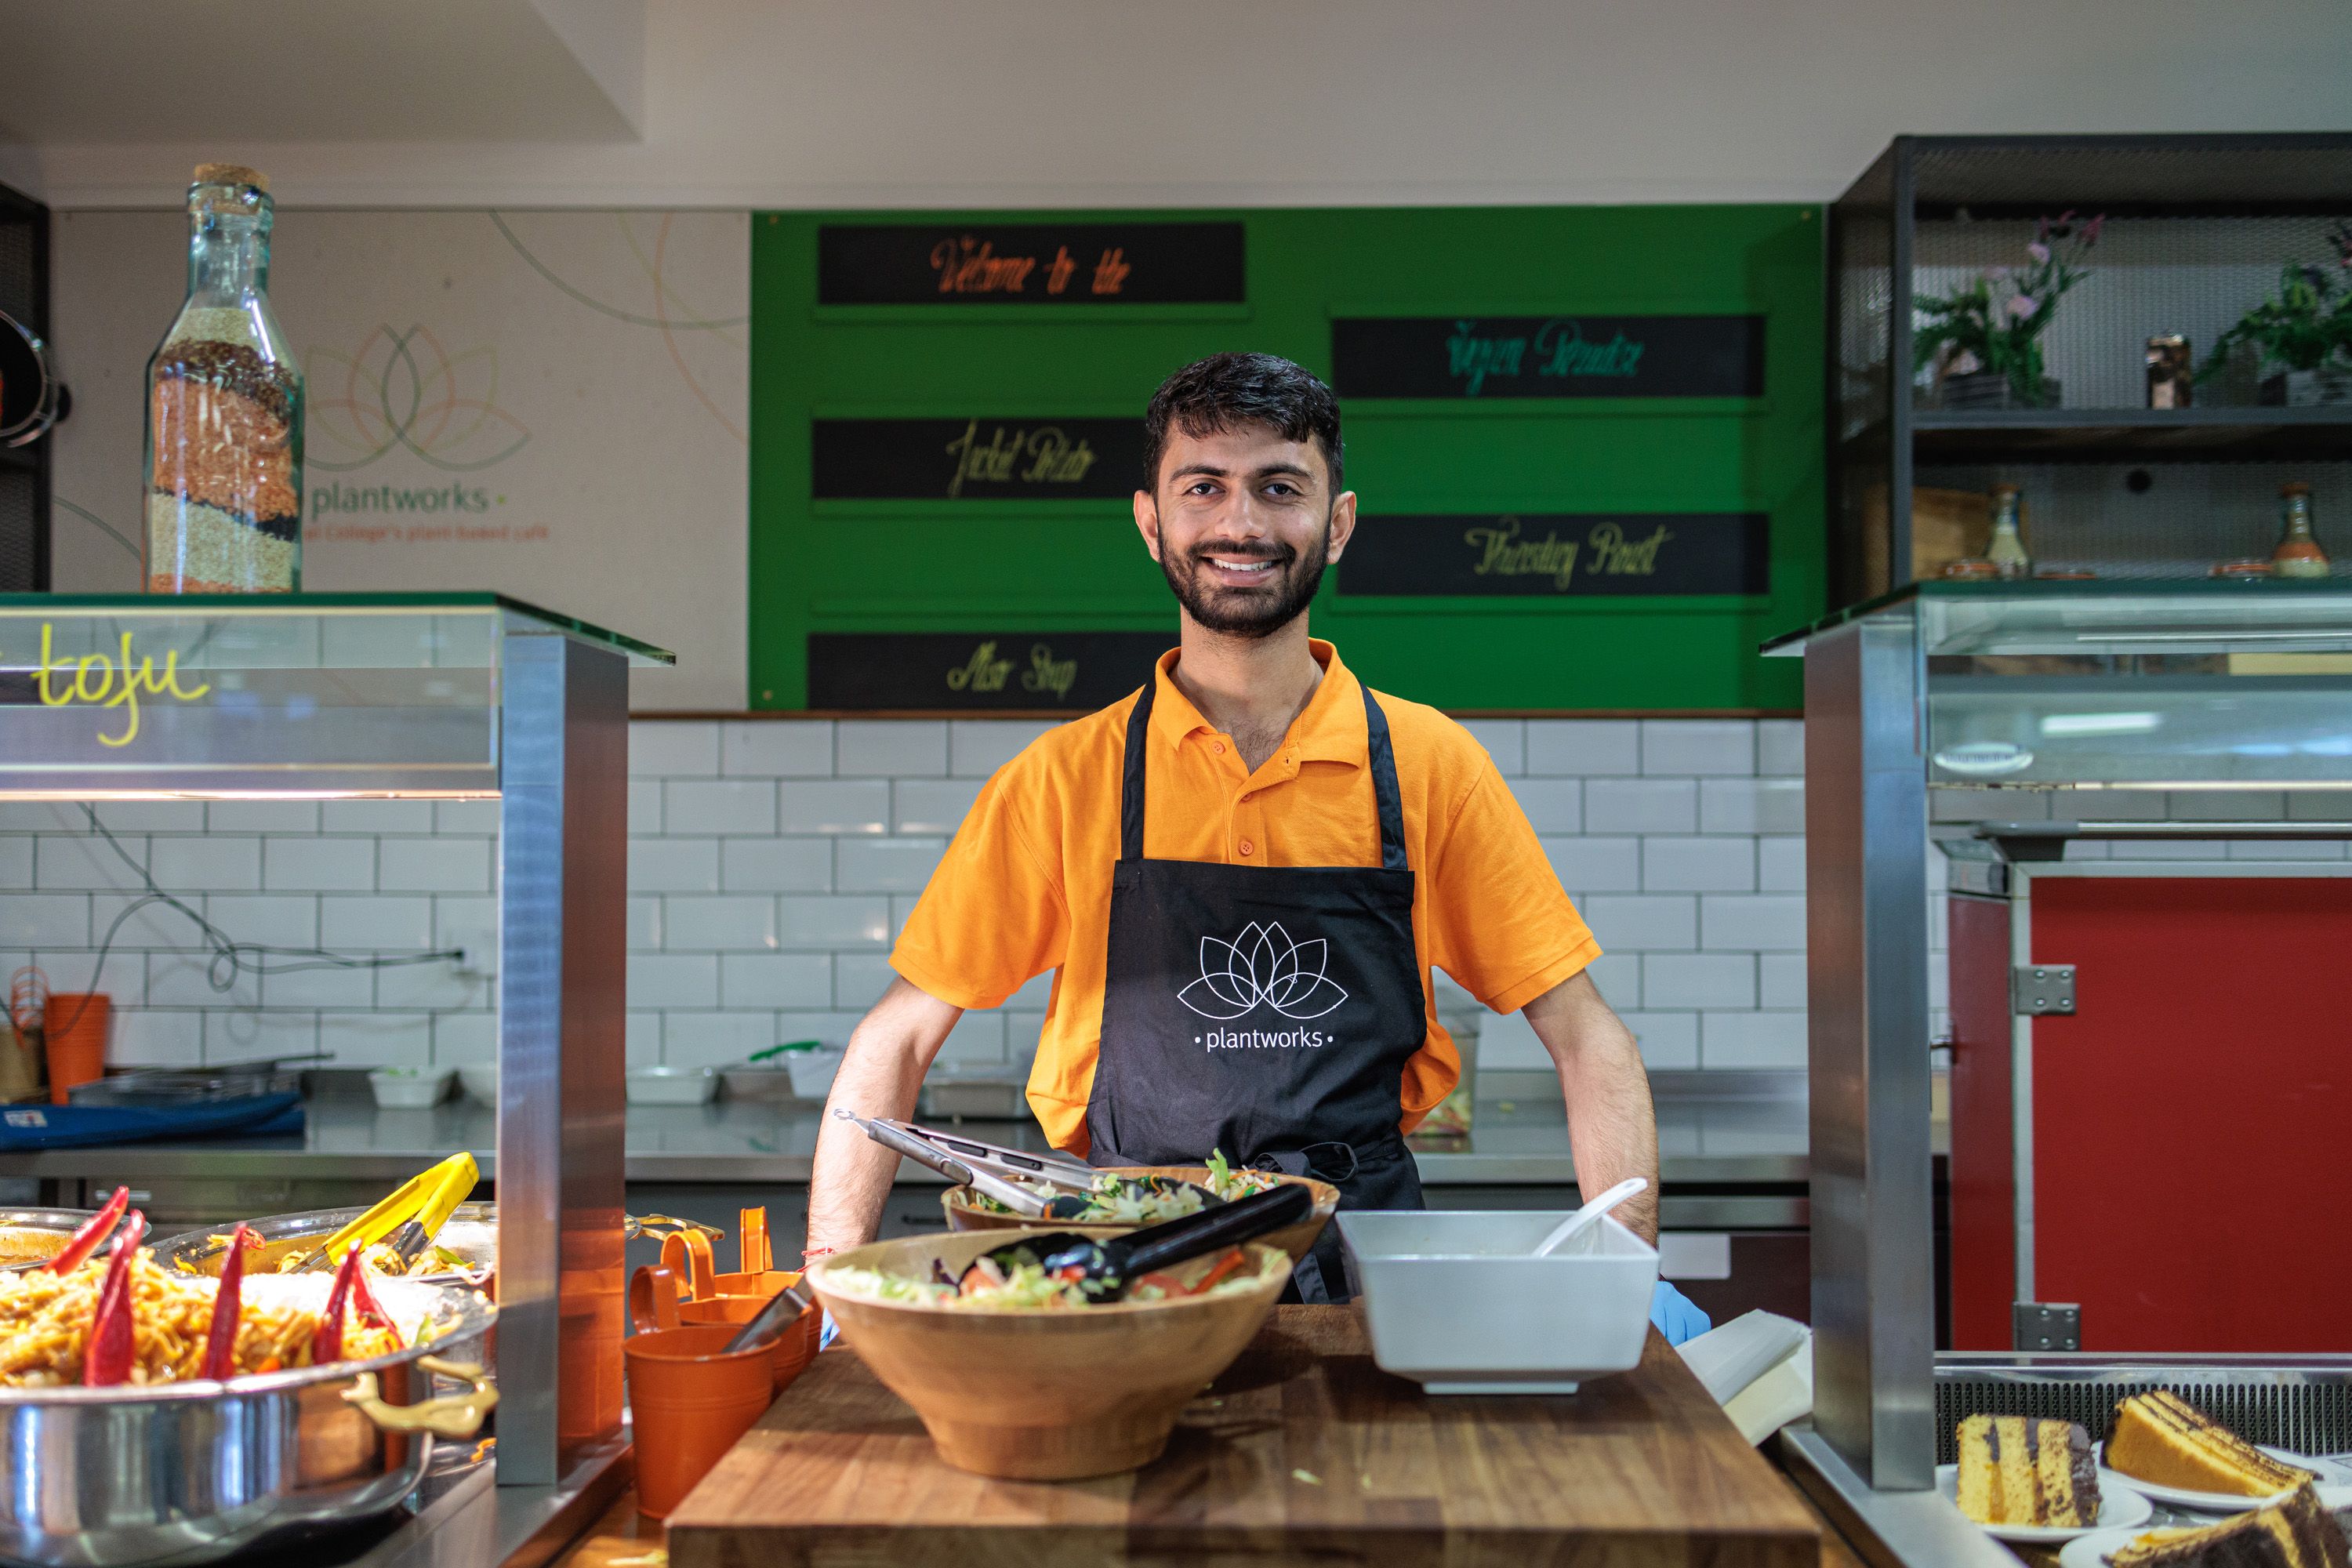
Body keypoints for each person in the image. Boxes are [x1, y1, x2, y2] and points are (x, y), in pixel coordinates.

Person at [806, 351, 1708, 1342]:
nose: (1242, 523)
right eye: (1204, 487)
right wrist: (826, 1283)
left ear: (1339, 520)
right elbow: (895, 1036)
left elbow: (1589, 1036)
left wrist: (1628, 1267)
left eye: (1280, 487)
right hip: (1130, 1274)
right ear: (1152, 522)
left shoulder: (1430, 764)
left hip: (1371, 1282)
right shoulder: (1067, 777)